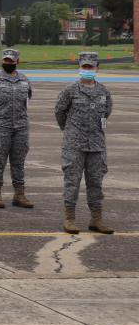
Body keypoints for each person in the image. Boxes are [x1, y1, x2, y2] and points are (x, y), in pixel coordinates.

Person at [55, 51, 113, 235]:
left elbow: (107, 113)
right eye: (84, 67)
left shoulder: (104, 91)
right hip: (74, 145)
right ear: (79, 68)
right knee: (72, 182)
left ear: (97, 68)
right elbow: (59, 113)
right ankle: (69, 218)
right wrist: (70, 132)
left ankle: (96, 219)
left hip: (96, 145)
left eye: (91, 67)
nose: (88, 70)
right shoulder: (70, 90)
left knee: (96, 182)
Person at [0, 48, 33, 209]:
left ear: (18, 61)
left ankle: (19, 194)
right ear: (2, 61)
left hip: (21, 127)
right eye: (6, 60)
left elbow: (28, 98)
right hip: (0, 126)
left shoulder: (24, 80)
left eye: (11, 60)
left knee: (19, 161)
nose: (8, 63)